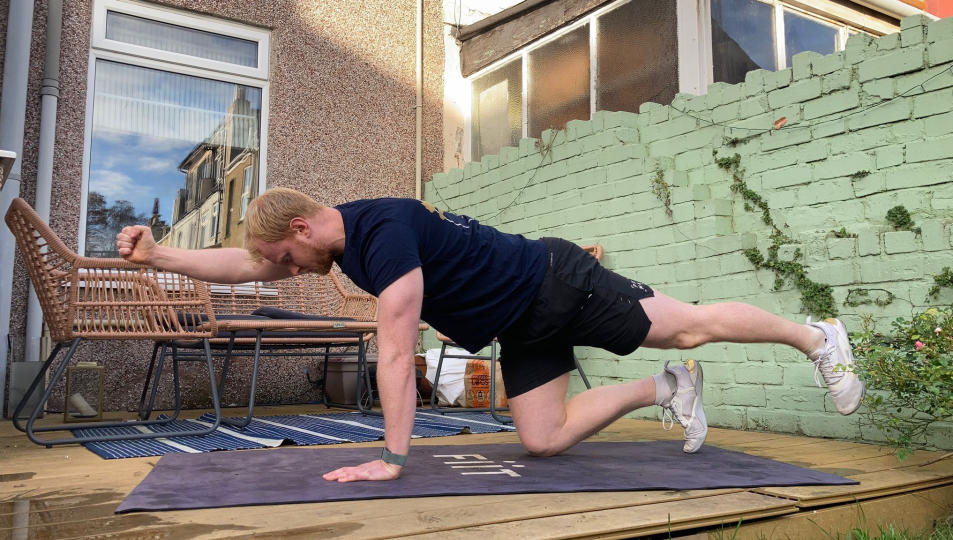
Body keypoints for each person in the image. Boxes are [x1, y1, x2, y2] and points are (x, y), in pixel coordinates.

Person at [116, 187, 864, 483]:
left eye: (286, 257)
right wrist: (161, 256)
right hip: (520, 321)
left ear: (303, 227)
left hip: (559, 282)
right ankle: (663, 392)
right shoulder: (338, 240)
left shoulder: (387, 239)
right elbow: (242, 262)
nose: (287, 272)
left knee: (690, 329)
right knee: (540, 437)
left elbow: (398, 354)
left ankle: (815, 337)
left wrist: (393, 455)